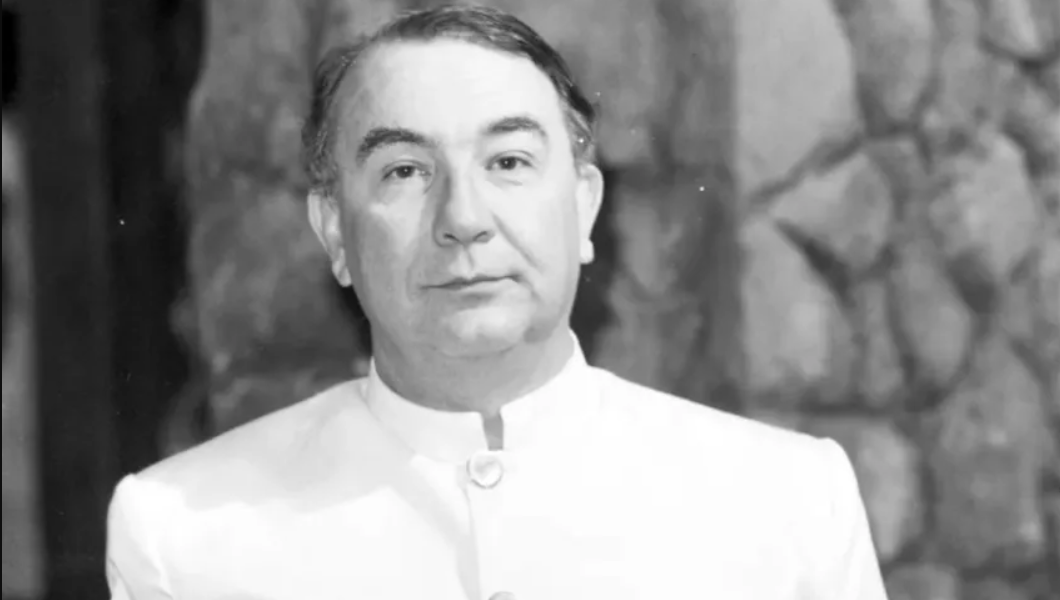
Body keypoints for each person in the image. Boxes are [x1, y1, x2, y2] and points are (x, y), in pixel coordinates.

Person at [106, 5, 889, 599]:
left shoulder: (787, 503)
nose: (463, 218)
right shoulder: (187, 534)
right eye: (405, 171)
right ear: (335, 232)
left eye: (508, 161)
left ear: (583, 206)